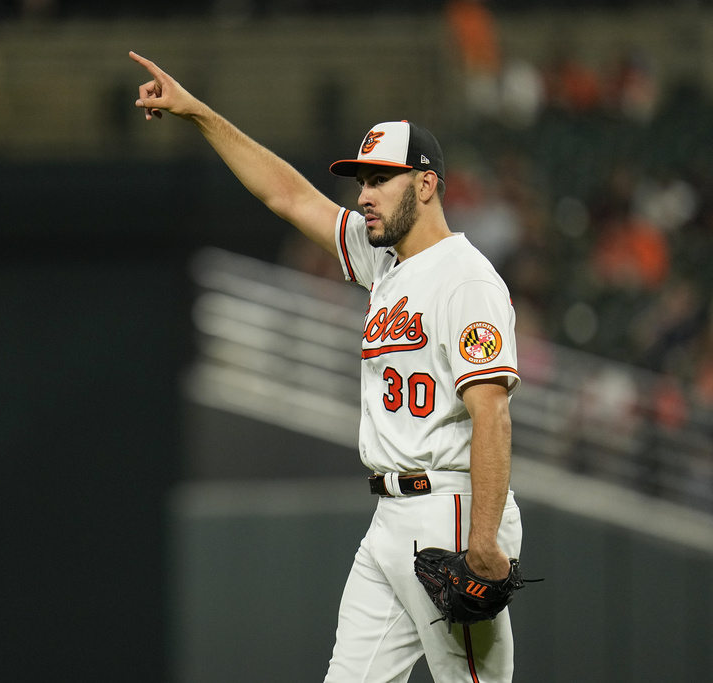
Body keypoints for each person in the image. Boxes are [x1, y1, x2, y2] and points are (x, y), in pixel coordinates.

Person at [129, 51, 523, 682]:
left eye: (379, 180)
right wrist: (200, 114)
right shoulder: (385, 265)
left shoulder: (466, 280)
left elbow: (492, 414)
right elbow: (288, 195)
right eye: (360, 181)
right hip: (392, 518)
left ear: (425, 184)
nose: (363, 195)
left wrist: (481, 541)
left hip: (451, 507)